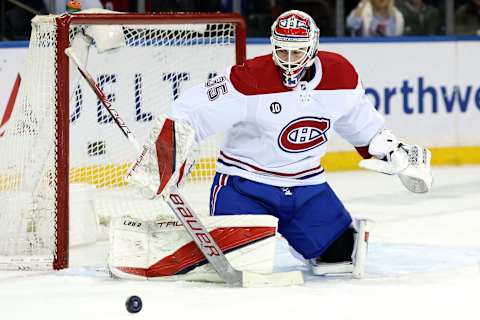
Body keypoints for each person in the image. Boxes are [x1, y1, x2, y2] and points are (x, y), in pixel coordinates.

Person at [132, 10, 432, 278]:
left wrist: (395, 153)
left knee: (341, 256)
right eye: (282, 51)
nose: (288, 60)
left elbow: (365, 129)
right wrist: (165, 151)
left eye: (297, 52)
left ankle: (298, 235)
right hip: (245, 186)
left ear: (313, 48)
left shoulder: (340, 76)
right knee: (238, 264)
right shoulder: (249, 79)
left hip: (307, 188)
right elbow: (189, 111)